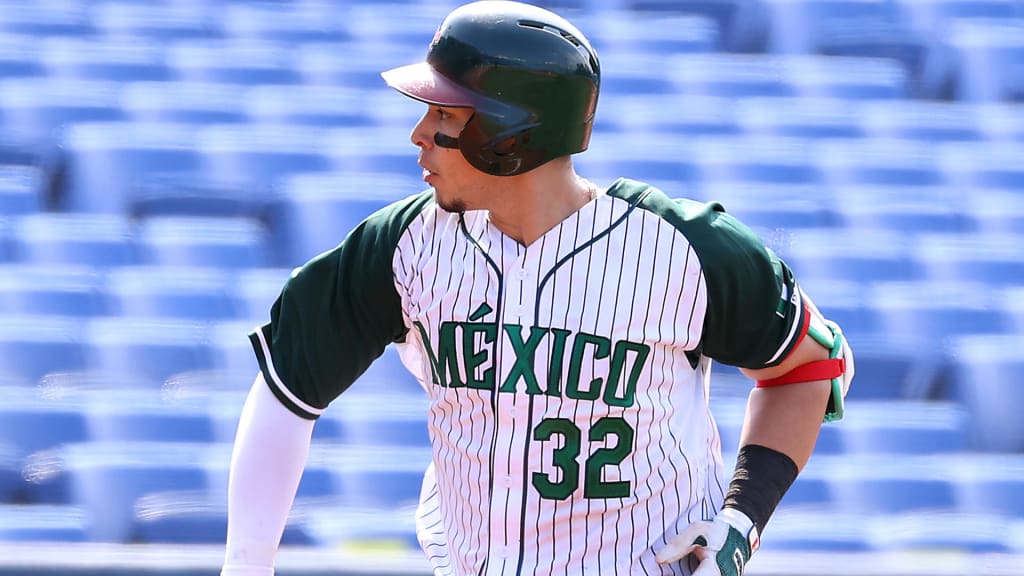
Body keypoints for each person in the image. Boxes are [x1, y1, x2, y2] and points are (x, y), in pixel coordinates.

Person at [220, 1, 855, 575]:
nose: (420, 134)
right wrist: (247, 565)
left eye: (445, 113)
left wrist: (743, 517)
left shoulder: (686, 248)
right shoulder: (405, 244)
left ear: (511, 133)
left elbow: (811, 366)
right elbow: (287, 387)